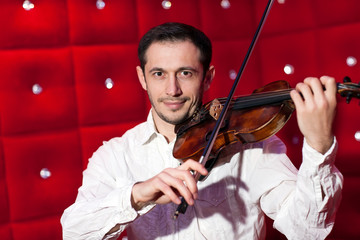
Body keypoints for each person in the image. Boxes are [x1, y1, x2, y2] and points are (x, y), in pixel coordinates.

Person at [61, 22, 343, 240]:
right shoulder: (116, 155)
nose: (172, 90)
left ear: (207, 78)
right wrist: (138, 195)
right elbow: (73, 233)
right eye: (159, 74)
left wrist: (319, 148)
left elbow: (307, 231)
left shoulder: (252, 145)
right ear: (142, 78)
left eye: (186, 73)